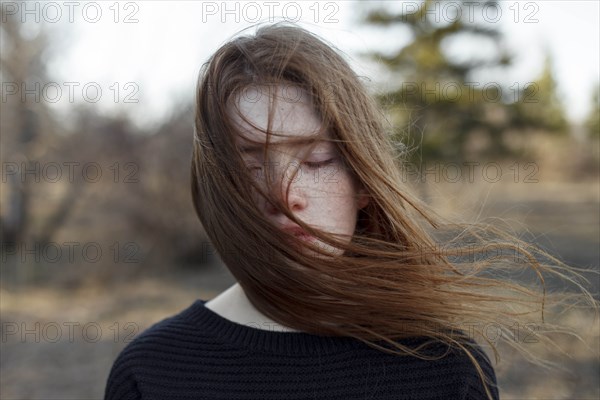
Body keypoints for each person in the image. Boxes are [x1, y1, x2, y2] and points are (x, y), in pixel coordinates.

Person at [104, 23, 595, 400]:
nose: (284, 195)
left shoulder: (442, 367)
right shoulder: (151, 371)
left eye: (316, 161)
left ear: (364, 181)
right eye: (251, 167)